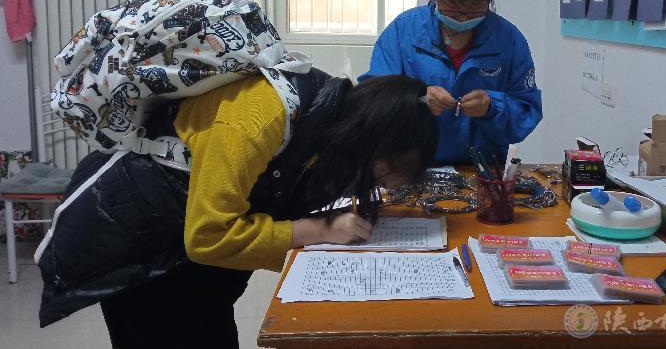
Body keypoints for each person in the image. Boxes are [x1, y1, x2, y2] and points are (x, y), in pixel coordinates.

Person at [38, 70, 437, 349]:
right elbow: (208, 237)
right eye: (384, 173)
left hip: (186, 255)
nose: (382, 184)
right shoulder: (260, 117)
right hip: (141, 247)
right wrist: (319, 230)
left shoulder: (328, 119)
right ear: (373, 140)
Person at [359, 0, 542, 164]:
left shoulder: (509, 41)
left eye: (474, 9)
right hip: (413, 168)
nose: (463, 19)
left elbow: (527, 111)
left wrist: (492, 106)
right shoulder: (403, 32)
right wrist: (417, 99)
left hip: (482, 173)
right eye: (453, 9)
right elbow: (372, 104)